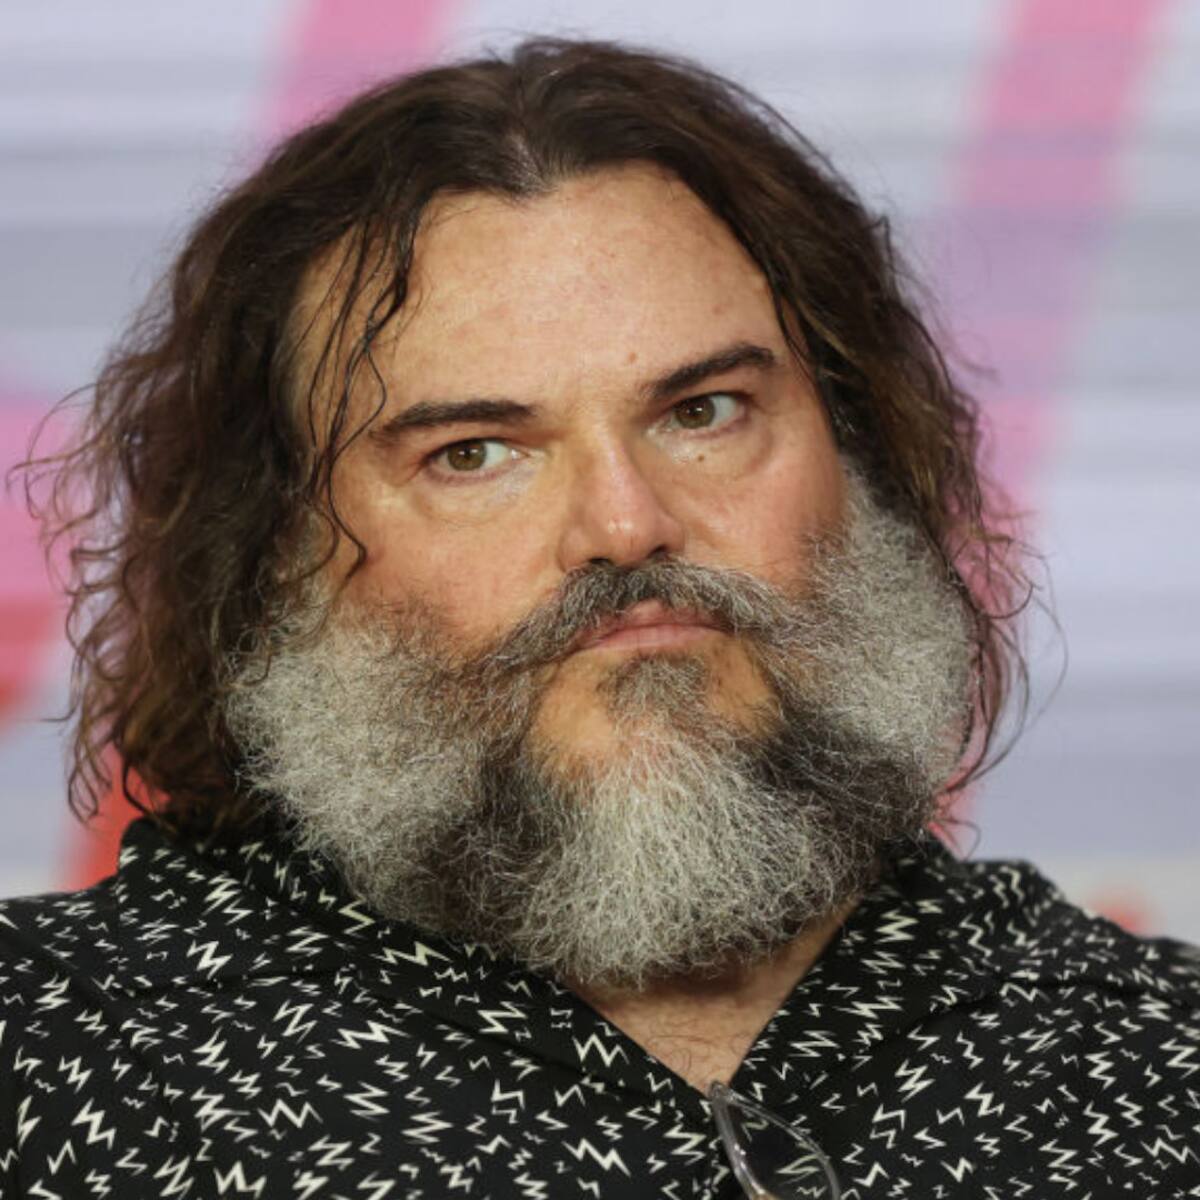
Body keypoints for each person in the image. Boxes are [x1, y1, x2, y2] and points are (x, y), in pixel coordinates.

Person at [2, 37, 1197, 1199]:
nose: (626, 524)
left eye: (703, 412)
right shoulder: (51, 1049)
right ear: (272, 563)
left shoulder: (1157, 1051)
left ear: (861, 455)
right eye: (475, 453)